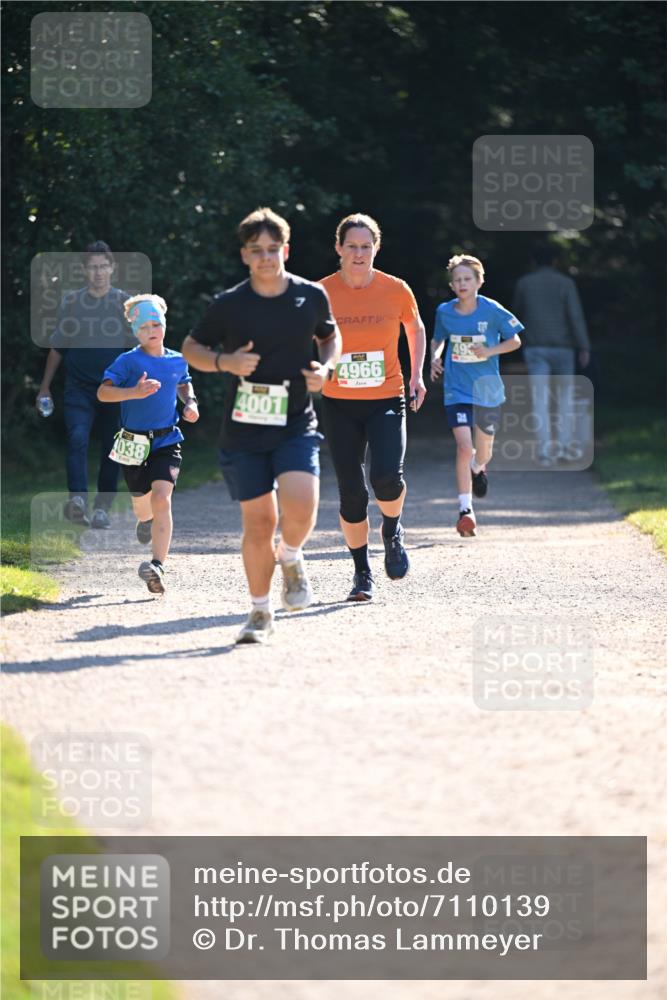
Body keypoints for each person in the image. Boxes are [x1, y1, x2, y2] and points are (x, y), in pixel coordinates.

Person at [182, 207, 341, 645]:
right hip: (245, 431)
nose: (266, 258)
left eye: (273, 249)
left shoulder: (309, 296)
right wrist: (224, 362)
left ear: (286, 250)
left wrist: (325, 369)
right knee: (258, 523)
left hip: (294, 423)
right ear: (244, 256)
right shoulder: (230, 304)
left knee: (302, 507)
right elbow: (190, 347)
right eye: (257, 251)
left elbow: (330, 336)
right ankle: (259, 612)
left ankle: (290, 556)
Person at [318, 213, 427, 602]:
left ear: (376, 248)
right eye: (352, 246)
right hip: (338, 402)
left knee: (387, 478)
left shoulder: (396, 289)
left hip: (386, 396)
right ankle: (362, 573)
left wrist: (416, 376)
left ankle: (393, 528)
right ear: (339, 248)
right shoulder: (320, 292)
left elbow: (414, 328)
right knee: (351, 493)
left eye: (366, 246)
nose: (359, 253)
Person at [97, 294, 199, 594]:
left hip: (167, 440)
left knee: (162, 499)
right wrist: (134, 392)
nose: (152, 330)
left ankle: (156, 565)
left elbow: (183, 382)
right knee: (143, 508)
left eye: (157, 324)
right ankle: (145, 520)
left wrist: (190, 402)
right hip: (133, 443)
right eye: (145, 327)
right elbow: (103, 394)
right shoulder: (127, 361)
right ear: (135, 331)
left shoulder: (176, 359)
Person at [36, 241, 134, 528]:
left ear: (112, 268)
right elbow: (58, 347)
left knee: (112, 447)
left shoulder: (123, 303)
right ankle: (77, 500)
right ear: (84, 270)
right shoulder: (73, 302)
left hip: (114, 389)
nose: (99, 272)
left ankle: (102, 508)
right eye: (93, 267)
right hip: (78, 388)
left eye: (103, 266)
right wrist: (44, 387)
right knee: (77, 437)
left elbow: (138, 348)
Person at [431, 254, 523, 537]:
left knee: (483, 451)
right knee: (463, 446)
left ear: (479, 281)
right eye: (457, 280)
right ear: (452, 284)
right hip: (456, 389)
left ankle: (478, 467)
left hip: (487, 390)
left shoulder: (492, 310)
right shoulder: (444, 311)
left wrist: (490, 351)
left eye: (467, 279)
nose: (462, 284)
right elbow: (438, 338)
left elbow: (515, 340)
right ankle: (465, 509)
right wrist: (434, 357)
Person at [513, 245, 591, 465]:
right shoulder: (566, 283)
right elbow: (575, 316)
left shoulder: (524, 284)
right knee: (565, 399)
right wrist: (583, 346)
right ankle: (566, 448)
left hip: (535, 347)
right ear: (555, 261)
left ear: (534, 261)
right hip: (564, 348)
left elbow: (516, 314)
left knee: (540, 400)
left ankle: (545, 451)